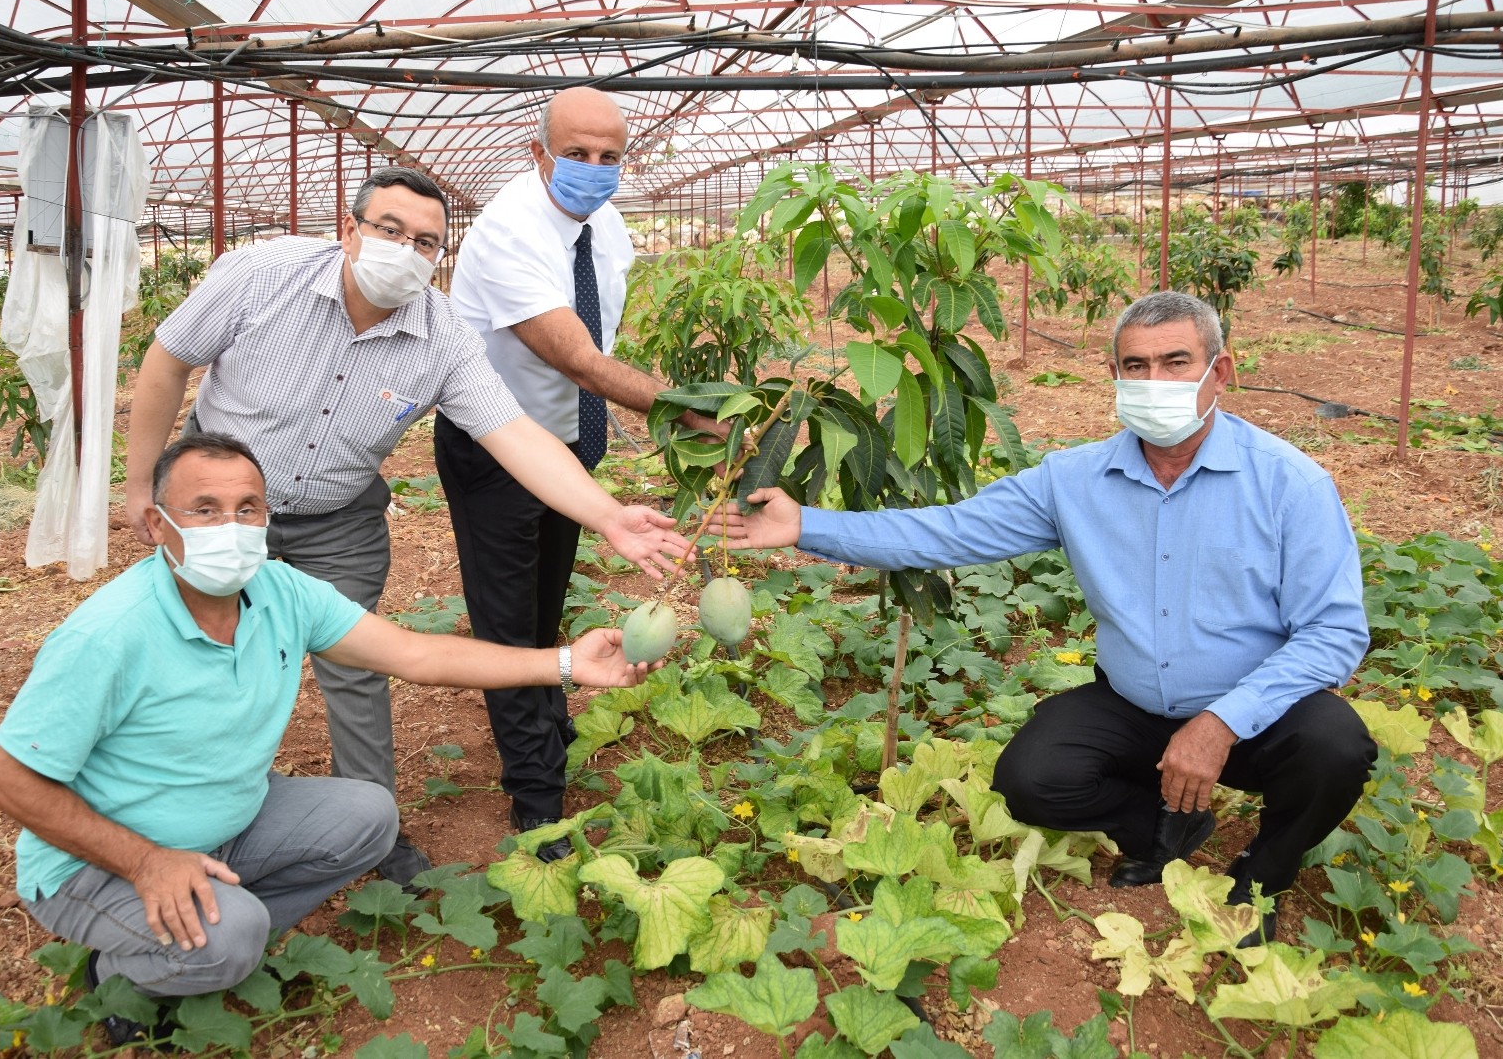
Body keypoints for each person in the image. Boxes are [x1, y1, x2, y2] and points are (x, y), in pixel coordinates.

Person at [726, 292, 1375, 945]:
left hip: (1254, 717)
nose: (1154, 382)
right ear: (1114, 376)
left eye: (1176, 362)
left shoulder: (1290, 484)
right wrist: (806, 524)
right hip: (1135, 707)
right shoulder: (1074, 481)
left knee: (1335, 748)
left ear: (1221, 372)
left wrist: (1223, 721)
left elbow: (1335, 633)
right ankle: (1161, 820)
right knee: (1030, 781)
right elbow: (946, 532)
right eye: (1136, 366)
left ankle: (1264, 872)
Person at [0, 434, 655, 1046]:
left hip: (225, 826)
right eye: (205, 510)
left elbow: (416, 656)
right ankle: (126, 969)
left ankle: (202, 925)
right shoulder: (110, 633)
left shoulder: (278, 591)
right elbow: (5, 779)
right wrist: (147, 863)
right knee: (232, 938)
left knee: (368, 817)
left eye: (248, 509)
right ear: (157, 524)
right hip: (96, 863)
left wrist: (566, 664)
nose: (231, 528)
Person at [123, 166, 689, 886]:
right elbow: (168, 358)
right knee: (192, 658)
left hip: (338, 517)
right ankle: (169, 826)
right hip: (222, 508)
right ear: (348, 230)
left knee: (355, 668)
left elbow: (511, 432)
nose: (405, 250)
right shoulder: (262, 276)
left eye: (425, 242)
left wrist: (609, 516)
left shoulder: (442, 336)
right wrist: (144, 486)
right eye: (388, 230)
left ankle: (370, 827)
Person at [437, 88, 727, 858]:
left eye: (609, 157)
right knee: (506, 622)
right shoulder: (507, 233)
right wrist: (694, 411)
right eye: (577, 154)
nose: (594, 170)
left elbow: (596, 349)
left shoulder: (606, 226)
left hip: (570, 446)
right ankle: (536, 799)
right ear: (539, 153)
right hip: (497, 451)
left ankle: (546, 714)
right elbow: (581, 360)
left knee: (544, 601)